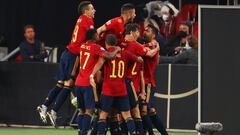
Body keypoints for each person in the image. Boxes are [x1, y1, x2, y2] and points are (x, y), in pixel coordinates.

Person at [36, 1, 96, 127]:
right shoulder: (88, 20)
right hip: (73, 55)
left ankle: (46, 107)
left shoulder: (80, 19)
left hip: (67, 53)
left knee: (61, 83)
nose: (94, 11)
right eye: (92, 9)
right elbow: (94, 36)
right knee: (69, 84)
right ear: (86, 11)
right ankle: (53, 110)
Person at [89, 34, 143, 135]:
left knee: (103, 115)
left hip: (108, 89)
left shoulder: (106, 53)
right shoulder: (125, 53)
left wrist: (92, 75)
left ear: (106, 43)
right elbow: (139, 60)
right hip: (121, 89)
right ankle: (133, 133)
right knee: (127, 116)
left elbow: (100, 63)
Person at [74, 29, 120, 135]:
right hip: (87, 83)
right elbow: (109, 56)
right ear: (94, 35)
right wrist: (117, 49)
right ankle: (83, 133)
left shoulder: (82, 46)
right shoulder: (96, 47)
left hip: (78, 82)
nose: (99, 36)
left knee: (81, 111)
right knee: (89, 111)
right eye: (97, 34)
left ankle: (80, 132)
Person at [122, 23, 160, 135]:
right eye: (138, 31)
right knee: (137, 111)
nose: (141, 33)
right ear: (132, 33)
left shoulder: (121, 44)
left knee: (116, 113)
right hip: (131, 83)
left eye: (146, 31)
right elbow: (150, 54)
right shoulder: (138, 46)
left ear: (154, 34)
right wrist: (157, 48)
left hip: (124, 82)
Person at [141, 24, 169, 135]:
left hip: (147, 83)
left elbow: (148, 54)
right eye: (144, 30)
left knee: (144, 110)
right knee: (150, 110)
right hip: (144, 82)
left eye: (147, 31)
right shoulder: (146, 44)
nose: (144, 32)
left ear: (153, 34)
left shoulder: (153, 44)